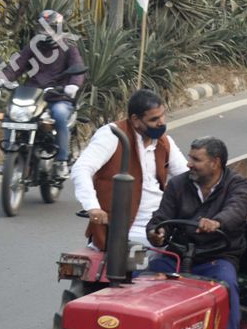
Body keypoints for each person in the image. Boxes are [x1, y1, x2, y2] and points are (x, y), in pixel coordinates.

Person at [145, 137, 247, 329]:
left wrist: (217, 222)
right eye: (190, 158)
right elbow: (161, 217)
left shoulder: (237, 184)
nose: (189, 164)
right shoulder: (179, 184)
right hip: (179, 256)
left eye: (196, 159)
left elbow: (236, 211)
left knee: (228, 288)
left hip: (217, 257)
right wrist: (157, 233)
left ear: (215, 163)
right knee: (146, 280)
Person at [74, 89, 188, 250]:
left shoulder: (164, 142)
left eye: (162, 115)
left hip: (160, 226)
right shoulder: (112, 135)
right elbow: (82, 168)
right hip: (123, 231)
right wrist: (92, 207)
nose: (161, 122)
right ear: (135, 120)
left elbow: (187, 176)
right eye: (154, 119)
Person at [0, 10, 85, 177]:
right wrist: (4, 78)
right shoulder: (33, 45)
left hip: (58, 96)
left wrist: (73, 85)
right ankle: (8, 157)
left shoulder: (68, 46)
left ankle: (61, 161)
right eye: (43, 28)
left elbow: (78, 68)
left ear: (58, 28)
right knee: (10, 115)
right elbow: (18, 64)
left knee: (59, 115)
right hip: (33, 95)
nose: (46, 32)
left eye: (50, 28)